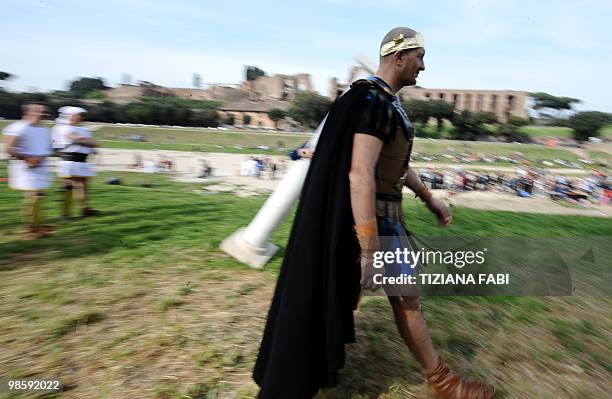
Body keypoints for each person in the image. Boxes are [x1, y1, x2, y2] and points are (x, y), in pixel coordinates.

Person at [253, 27, 495, 399]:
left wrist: (428, 198)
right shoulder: (370, 101)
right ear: (399, 57)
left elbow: (394, 165)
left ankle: (316, 363)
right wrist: (368, 247)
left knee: (353, 297)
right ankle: (444, 384)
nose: (424, 67)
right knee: (399, 298)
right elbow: (360, 173)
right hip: (371, 221)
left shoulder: (386, 102)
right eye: (420, 58)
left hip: (385, 217)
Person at [2, 103, 55, 239]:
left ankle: (38, 224)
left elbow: (45, 149)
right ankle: (31, 230)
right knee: (34, 197)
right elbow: (8, 148)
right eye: (41, 112)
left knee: (40, 196)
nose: (45, 114)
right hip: (25, 167)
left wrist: (41, 157)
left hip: (41, 165)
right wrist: (27, 158)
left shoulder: (43, 129)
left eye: (45, 112)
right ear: (29, 113)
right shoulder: (17, 127)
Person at [51, 106, 100, 218]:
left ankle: (85, 209)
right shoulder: (62, 127)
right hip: (69, 160)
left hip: (83, 160)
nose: (81, 118)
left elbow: (92, 143)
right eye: (79, 115)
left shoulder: (82, 129)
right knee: (68, 187)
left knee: (83, 186)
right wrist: (86, 141)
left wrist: (86, 141)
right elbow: (76, 138)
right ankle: (65, 213)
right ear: (70, 116)